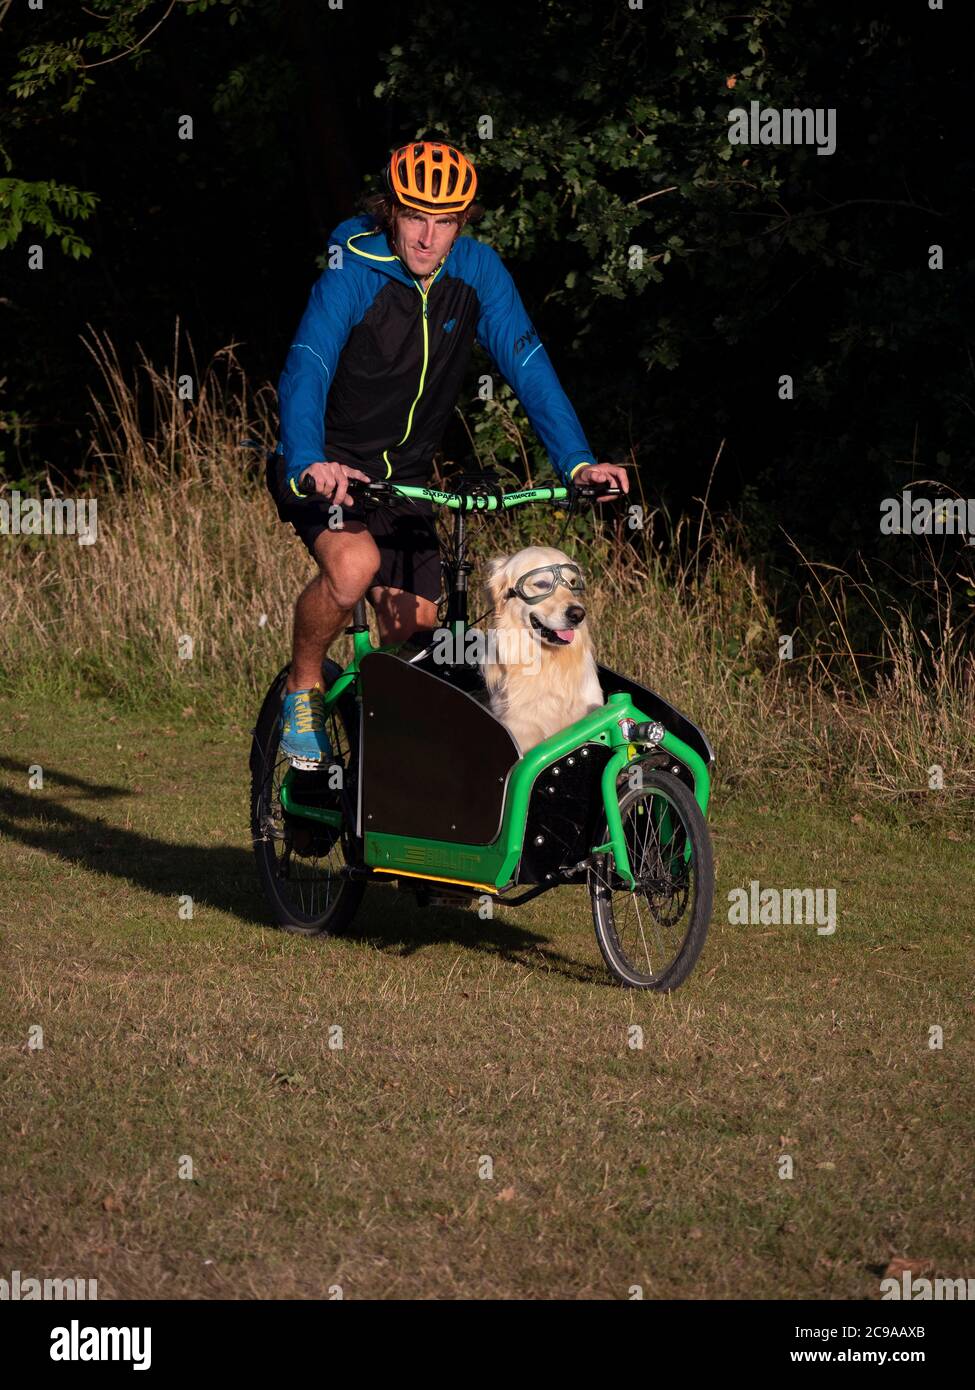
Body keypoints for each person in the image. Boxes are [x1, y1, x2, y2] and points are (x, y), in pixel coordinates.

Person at [267, 140, 628, 766]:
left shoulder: (478, 272)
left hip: (404, 479)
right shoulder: (353, 263)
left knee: (420, 645)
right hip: (329, 466)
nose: (427, 237)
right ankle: (303, 689)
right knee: (353, 568)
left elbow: (528, 364)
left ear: (461, 224)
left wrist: (577, 462)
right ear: (390, 211)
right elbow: (310, 363)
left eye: (444, 222)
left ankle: (382, 772)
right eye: (414, 217)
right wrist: (306, 459)